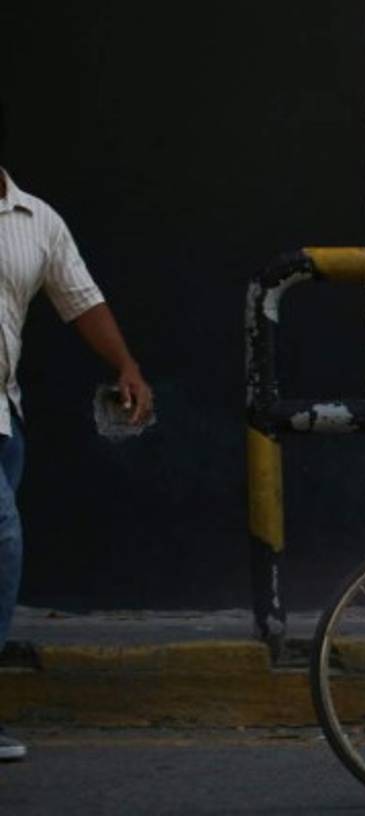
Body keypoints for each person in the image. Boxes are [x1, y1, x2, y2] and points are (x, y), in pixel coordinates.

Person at [0, 102, 154, 762]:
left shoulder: (36, 220)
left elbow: (80, 298)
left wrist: (125, 365)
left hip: (4, 418)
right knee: (2, 537)